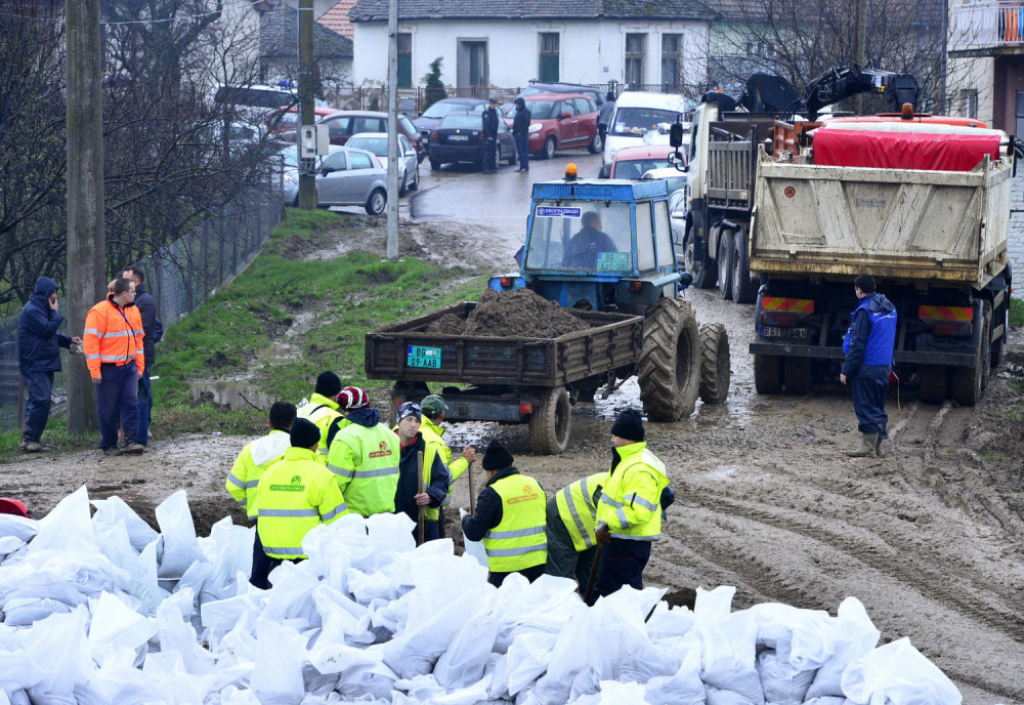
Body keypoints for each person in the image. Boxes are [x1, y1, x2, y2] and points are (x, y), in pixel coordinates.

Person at [253, 418, 348, 588]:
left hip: (271, 552)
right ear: (315, 445)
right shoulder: (322, 475)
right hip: (305, 556)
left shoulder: (269, 473)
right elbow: (338, 522)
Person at [591, 408, 670, 604]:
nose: (611, 439)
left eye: (615, 435)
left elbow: (637, 513)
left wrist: (605, 523)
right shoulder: (628, 460)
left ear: (627, 438)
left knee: (618, 599)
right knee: (612, 595)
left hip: (626, 544)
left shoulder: (639, 469)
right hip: (619, 540)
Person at [226, 401, 296, 587]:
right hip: (294, 516)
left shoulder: (251, 449)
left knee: (260, 571)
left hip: (263, 516)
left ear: (269, 423)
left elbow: (233, 485)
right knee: (289, 572)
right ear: (294, 423)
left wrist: (250, 504)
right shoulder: (298, 449)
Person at [462, 439, 547, 587]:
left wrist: (466, 519)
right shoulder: (534, 484)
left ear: (492, 471)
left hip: (506, 571)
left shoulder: (492, 493)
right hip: (538, 564)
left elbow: (474, 533)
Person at [16, 277, 81, 452]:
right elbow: (46, 329)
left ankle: (33, 440)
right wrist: (55, 312)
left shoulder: (42, 309)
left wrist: (68, 341)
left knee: (42, 401)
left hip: (45, 363)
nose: (55, 296)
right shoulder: (31, 311)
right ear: (45, 292)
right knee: (41, 400)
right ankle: (29, 439)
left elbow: (50, 333)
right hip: (35, 363)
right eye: (53, 292)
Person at [84, 277, 145, 455]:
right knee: (108, 408)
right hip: (108, 369)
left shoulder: (134, 311)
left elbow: (139, 341)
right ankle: (109, 445)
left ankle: (132, 441)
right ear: (124, 294)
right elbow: (91, 343)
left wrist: (139, 367)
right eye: (133, 291)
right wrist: (95, 370)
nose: (136, 293)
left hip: (129, 367)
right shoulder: (99, 312)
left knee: (130, 404)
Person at [841, 273, 897, 457]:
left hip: (867, 367)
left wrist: (846, 370)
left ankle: (867, 447)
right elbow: (886, 337)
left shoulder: (865, 311)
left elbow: (857, 345)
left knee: (865, 406)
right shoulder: (889, 308)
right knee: (878, 406)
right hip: (884, 366)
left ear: (859, 289)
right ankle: (878, 447)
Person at [326, 386, 401, 517]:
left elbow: (335, 483)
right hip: (386, 515)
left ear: (345, 410)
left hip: (355, 517)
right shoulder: (391, 436)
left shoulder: (345, 438)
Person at [392, 402, 450, 543]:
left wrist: (431, 496)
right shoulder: (385, 448)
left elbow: (442, 480)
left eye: (417, 421)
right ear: (399, 421)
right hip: (391, 520)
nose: (413, 424)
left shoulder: (428, 451)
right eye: (409, 419)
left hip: (422, 523)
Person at [419, 394, 476, 537]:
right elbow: (444, 476)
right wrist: (464, 460)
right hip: (428, 507)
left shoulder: (411, 429)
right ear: (442, 414)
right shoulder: (433, 441)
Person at [546, 471, 609, 590]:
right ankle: (557, 605)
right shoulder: (613, 489)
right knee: (559, 580)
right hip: (560, 520)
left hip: (589, 530)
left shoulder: (624, 483)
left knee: (593, 574)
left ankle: (591, 604)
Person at [123, 266, 159, 448]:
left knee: (141, 395)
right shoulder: (135, 300)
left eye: (125, 280)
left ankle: (141, 432)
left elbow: (140, 331)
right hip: (133, 356)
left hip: (140, 357)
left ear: (135, 282)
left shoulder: (143, 302)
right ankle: (137, 431)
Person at [296, 371, 347, 456]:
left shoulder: (297, 413)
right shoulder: (335, 419)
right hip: (323, 468)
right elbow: (341, 456)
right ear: (337, 394)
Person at [512, 97, 532, 173]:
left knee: (523, 150)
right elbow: (515, 123)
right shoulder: (517, 112)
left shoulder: (526, 112)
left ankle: (525, 166)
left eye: (517, 104)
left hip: (523, 134)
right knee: (519, 150)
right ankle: (521, 166)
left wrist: (521, 132)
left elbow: (527, 123)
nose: (516, 105)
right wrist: (514, 132)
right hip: (517, 134)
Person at [481, 98, 500, 174]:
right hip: (488, 135)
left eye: (494, 104)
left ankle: (491, 167)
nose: (493, 105)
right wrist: (488, 135)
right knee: (487, 153)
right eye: (492, 104)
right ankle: (486, 168)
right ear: (489, 104)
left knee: (493, 152)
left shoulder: (494, 112)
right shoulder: (487, 113)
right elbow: (486, 125)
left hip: (494, 134)